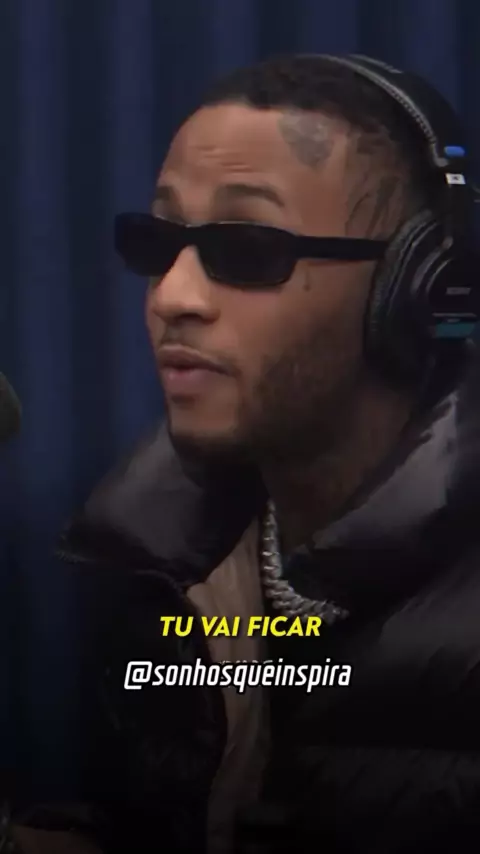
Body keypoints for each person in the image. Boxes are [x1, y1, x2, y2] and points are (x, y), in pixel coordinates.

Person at [4, 53, 480, 854]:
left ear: (418, 287)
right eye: (158, 241)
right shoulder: (163, 558)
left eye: (249, 248)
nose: (172, 296)